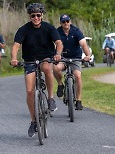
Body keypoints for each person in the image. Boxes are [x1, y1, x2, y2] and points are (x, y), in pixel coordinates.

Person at [10, 3, 63, 137]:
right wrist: (14, 58)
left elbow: (58, 43)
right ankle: (34, 121)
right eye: (33, 16)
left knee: (46, 68)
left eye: (38, 15)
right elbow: (16, 45)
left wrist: (58, 54)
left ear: (42, 15)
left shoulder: (49, 28)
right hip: (30, 61)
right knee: (29, 90)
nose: (36, 18)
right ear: (30, 17)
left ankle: (50, 98)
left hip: (45, 57)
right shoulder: (23, 29)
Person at [53, 14, 90, 110]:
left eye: (67, 21)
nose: (66, 23)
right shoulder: (57, 32)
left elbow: (83, 44)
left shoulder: (76, 31)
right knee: (56, 68)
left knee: (77, 76)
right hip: (62, 57)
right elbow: (54, 45)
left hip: (75, 58)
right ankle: (60, 84)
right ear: (60, 23)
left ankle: (78, 100)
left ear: (70, 21)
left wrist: (88, 55)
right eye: (63, 22)